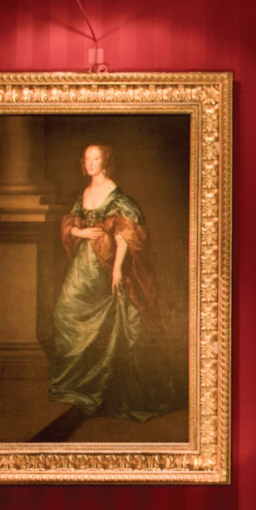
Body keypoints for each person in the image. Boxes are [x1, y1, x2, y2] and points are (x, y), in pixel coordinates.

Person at [47, 140, 181, 423]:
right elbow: (72, 224)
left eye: (95, 158)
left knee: (112, 321)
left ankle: (103, 386)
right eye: (87, 158)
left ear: (105, 162)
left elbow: (126, 235)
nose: (90, 163)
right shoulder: (85, 192)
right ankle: (80, 383)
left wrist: (118, 269)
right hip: (84, 265)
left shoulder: (117, 196)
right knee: (64, 313)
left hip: (106, 264)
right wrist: (80, 233)